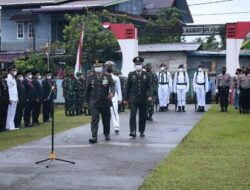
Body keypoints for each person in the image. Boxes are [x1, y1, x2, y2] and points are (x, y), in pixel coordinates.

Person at [85, 61, 115, 143]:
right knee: (94, 119)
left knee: (106, 119)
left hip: (105, 101)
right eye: (96, 67)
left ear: (102, 67)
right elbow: (87, 90)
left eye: (99, 67)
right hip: (94, 102)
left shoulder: (107, 76)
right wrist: (86, 102)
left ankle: (107, 134)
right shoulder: (90, 77)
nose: (98, 68)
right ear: (94, 68)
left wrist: (112, 93)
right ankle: (94, 136)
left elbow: (112, 85)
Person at [124, 56, 153, 138]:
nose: (138, 66)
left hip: (143, 98)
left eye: (139, 64)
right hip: (133, 98)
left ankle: (141, 130)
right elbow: (127, 87)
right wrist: (125, 99)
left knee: (142, 116)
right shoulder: (131, 74)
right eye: (136, 64)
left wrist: (150, 95)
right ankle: (132, 131)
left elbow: (150, 86)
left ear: (142, 65)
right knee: (132, 115)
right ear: (134, 65)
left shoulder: (146, 75)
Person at [105, 61, 122, 135]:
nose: (109, 67)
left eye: (110, 66)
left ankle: (116, 127)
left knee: (115, 112)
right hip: (106, 97)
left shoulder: (116, 77)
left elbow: (118, 88)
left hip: (114, 96)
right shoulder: (104, 77)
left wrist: (120, 98)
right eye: (108, 66)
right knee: (106, 114)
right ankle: (106, 129)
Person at [6, 65, 19, 130]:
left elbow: (15, 89)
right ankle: (9, 126)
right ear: (10, 71)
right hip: (11, 98)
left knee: (13, 113)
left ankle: (11, 126)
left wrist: (17, 98)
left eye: (15, 70)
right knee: (10, 113)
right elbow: (8, 90)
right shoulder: (8, 79)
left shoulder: (13, 78)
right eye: (14, 70)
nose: (15, 71)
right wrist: (9, 98)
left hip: (15, 98)